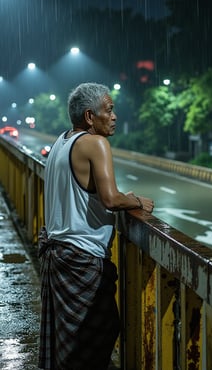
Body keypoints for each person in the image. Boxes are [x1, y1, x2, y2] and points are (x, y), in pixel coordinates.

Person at [38, 82, 154, 370]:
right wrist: (136, 200)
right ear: (90, 116)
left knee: (71, 340)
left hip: (58, 255)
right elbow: (111, 199)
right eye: (109, 110)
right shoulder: (96, 143)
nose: (114, 117)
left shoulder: (60, 142)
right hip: (82, 256)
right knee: (96, 336)